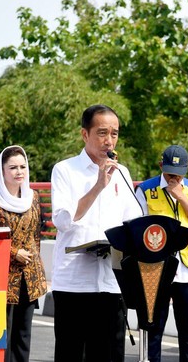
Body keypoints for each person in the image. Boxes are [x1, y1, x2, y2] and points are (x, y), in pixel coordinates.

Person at [51, 104, 143, 362]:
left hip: (112, 281)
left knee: (108, 355)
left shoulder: (122, 172)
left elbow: (133, 221)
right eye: (102, 133)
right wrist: (98, 186)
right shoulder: (65, 170)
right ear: (84, 134)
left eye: (114, 134)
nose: (109, 140)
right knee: (72, 354)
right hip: (74, 282)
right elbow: (63, 220)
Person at [135, 145, 188, 362]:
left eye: (179, 175)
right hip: (156, 268)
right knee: (154, 328)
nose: (174, 179)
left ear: (187, 168)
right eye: (169, 173)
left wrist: (182, 198)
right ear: (161, 166)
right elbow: (137, 228)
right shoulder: (145, 190)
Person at [0, 145, 47, 362]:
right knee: (1, 337)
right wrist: (14, 253)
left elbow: (36, 235)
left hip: (30, 276)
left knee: (23, 335)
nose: (19, 172)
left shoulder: (33, 197)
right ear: (2, 171)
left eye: (23, 167)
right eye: (13, 167)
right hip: (2, 278)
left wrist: (34, 263)